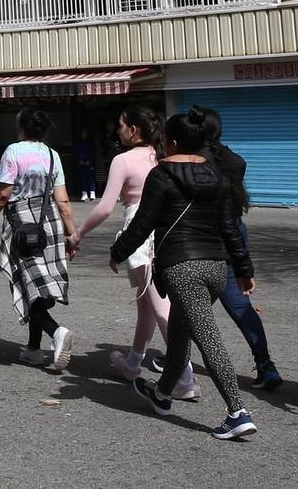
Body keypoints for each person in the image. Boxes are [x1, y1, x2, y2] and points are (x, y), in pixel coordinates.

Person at [110, 108, 259, 441]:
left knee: (207, 337)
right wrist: (244, 270)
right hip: (216, 266)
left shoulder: (161, 176)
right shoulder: (217, 175)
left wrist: (118, 252)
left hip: (181, 267)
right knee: (179, 334)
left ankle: (237, 412)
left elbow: (143, 223)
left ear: (173, 142)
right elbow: (229, 228)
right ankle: (162, 394)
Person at [69, 106, 194, 393]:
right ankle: (134, 361)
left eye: (121, 125)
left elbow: (104, 207)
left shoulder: (123, 160)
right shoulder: (162, 154)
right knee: (146, 305)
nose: (118, 129)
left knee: (161, 308)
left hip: (140, 232)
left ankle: (185, 376)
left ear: (133, 130)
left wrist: (78, 233)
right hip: (169, 229)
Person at [0, 107, 76, 373]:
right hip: (50, 225)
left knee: (27, 284)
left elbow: (2, 194)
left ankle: (56, 332)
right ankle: (33, 349)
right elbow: (63, 200)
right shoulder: (53, 156)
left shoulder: (13, 151)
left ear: (21, 127)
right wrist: (71, 233)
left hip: (22, 225)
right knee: (40, 285)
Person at [191, 106, 282, 390]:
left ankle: (176, 361)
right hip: (234, 235)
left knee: (190, 306)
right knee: (238, 304)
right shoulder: (234, 160)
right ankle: (266, 365)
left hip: (204, 238)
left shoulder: (191, 163)